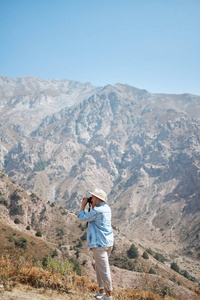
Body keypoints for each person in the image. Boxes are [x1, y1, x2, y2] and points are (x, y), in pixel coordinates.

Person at [78, 188, 114, 300]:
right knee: (99, 268)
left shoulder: (97, 211)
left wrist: (83, 206)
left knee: (103, 269)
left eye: (93, 197)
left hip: (99, 244)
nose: (91, 199)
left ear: (97, 199)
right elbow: (95, 216)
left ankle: (109, 295)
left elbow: (82, 217)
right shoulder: (106, 208)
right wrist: (93, 204)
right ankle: (101, 291)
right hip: (107, 242)